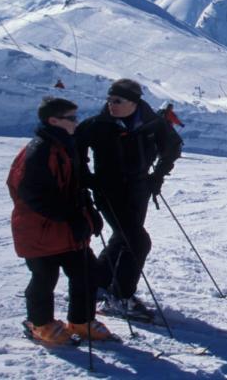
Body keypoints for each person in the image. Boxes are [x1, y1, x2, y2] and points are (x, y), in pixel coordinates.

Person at [8, 97, 115, 345]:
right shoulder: (38, 151)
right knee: (45, 277)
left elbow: (74, 187)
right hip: (39, 230)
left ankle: (80, 320)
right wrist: (71, 216)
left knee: (87, 272)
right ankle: (40, 323)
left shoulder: (65, 146)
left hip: (66, 229)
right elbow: (32, 194)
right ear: (53, 121)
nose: (77, 122)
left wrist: (89, 212)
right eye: (72, 118)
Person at [75, 79, 182, 320]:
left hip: (139, 189)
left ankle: (99, 281)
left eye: (117, 101)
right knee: (137, 241)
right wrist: (85, 177)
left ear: (133, 103)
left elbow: (173, 147)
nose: (110, 104)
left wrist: (158, 175)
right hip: (108, 192)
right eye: (109, 99)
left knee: (124, 237)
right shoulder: (97, 125)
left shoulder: (153, 123)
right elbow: (75, 149)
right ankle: (120, 297)